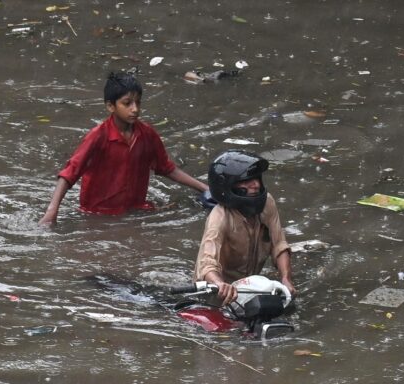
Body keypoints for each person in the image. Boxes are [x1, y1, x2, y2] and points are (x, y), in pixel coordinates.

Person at [39, 72, 209, 225]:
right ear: (110, 106)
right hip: (97, 215)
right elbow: (69, 174)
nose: (135, 109)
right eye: (127, 103)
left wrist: (205, 188)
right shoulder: (98, 136)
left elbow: (166, 167)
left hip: (135, 211)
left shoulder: (147, 135)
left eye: (138, 103)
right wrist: (52, 212)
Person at [194, 150, 295, 305]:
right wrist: (220, 284)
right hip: (217, 293)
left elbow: (279, 245)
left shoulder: (267, 203)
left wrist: (285, 279)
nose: (256, 185)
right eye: (246, 181)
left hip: (250, 288)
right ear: (227, 187)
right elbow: (207, 263)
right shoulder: (219, 217)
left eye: (256, 179)